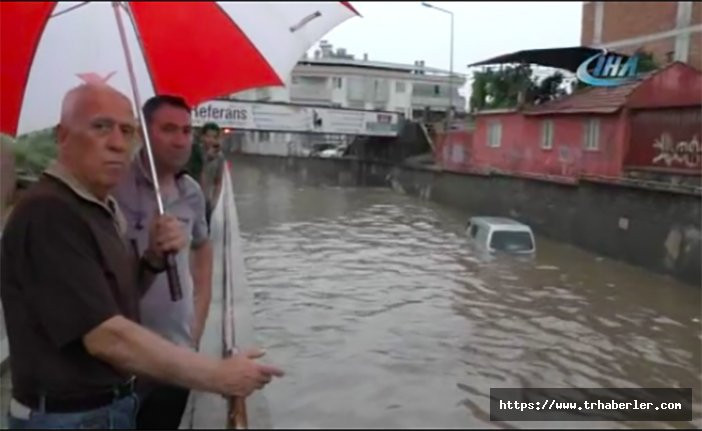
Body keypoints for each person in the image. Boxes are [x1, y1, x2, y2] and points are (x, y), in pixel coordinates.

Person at [1, 83, 283, 430]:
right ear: (63, 136)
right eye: (100, 127)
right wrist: (216, 375)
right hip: (69, 417)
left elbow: (117, 299)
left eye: (126, 130)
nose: (118, 143)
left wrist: (151, 258)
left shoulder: (98, 207)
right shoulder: (50, 213)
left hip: (108, 406)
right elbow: (106, 335)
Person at [112, 95, 213, 429]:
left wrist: (196, 323)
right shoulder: (115, 186)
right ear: (143, 132)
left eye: (187, 130)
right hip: (124, 355)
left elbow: (202, 249)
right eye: (169, 129)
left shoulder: (192, 192)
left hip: (177, 352)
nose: (181, 139)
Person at [199, 122, 225, 226]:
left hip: (206, 202)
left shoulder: (219, 157)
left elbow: (218, 182)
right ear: (202, 137)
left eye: (214, 137)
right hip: (190, 200)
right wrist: (206, 159)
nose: (210, 140)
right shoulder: (195, 152)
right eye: (208, 136)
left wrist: (214, 202)